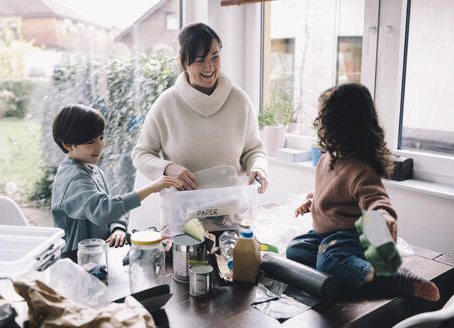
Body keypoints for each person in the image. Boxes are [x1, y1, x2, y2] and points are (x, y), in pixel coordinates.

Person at [287, 84, 439, 301]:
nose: (319, 125)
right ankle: (353, 272)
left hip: (352, 236)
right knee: (295, 249)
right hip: (326, 236)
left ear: (338, 125)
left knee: (329, 259)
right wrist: (312, 202)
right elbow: (331, 193)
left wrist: (383, 217)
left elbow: (376, 198)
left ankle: (388, 276)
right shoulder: (325, 159)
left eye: (322, 119)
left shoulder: (359, 168)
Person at [132, 23, 268, 193]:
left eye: (214, 57)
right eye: (200, 60)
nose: (209, 67)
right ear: (184, 61)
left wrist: (259, 168)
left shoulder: (240, 101)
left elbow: (254, 150)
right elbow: (141, 154)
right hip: (182, 212)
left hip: (232, 208)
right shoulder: (166, 104)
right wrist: (168, 168)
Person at [51, 104, 182, 257]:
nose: (99, 146)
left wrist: (117, 228)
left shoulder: (93, 169)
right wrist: (152, 187)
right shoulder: (73, 179)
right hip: (77, 257)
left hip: (99, 252)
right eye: (90, 142)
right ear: (67, 145)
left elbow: (112, 206)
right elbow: (104, 210)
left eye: (101, 138)